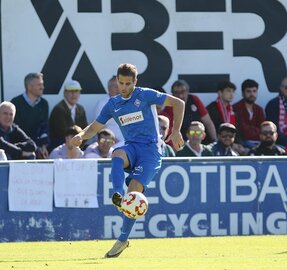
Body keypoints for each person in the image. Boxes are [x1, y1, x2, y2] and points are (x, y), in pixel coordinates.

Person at [70, 63, 185, 257]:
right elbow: (96, 126)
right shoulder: (113, 104)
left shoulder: (145, 95)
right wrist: (81, 135)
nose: (123, 87)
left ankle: (122, 239)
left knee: (133, 192)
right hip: (131, 146)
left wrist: (175, 131)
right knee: (116, 154)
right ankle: (117, 195)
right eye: (121, 83)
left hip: (151, 150)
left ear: (135, 82)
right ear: (116, 80)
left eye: (128, 83)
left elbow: (179, 103)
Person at [10, 72, 49, 159]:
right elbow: (14, 129)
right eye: (39, 85)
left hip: (38, 148)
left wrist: (43, 146)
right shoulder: (16, 103)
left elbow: (44, 127)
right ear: (29, 87)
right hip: (20, 149)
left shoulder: (44, 104)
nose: (42, 87)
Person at [49, 80, 88, 151]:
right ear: (64, 93)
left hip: (77, 147)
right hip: (61, 148)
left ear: (79, 93)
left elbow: (85, 130)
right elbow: (63, 133)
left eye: (76, 91)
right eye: (71, 91)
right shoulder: (58, 109)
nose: (74, 94)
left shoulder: (80, 109)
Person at [233, 79, 266, 149]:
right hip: (243, 143)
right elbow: (242, 130)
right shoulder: (236, 108)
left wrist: (251, 130)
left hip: (260, 142)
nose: (252, 94)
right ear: (242, 93)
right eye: (248, 91)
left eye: (254, 91)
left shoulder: (259, 109)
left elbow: (263, 129)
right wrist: (256, 131)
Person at [94, 76, 125, 147]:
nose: (117, 88)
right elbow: (98, 127)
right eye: (115, 86)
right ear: (108, 88)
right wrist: (114, 140)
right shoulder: (102, 104)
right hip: (109, 144)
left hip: (127, 143)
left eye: (119, 86)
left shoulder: (127, 102)